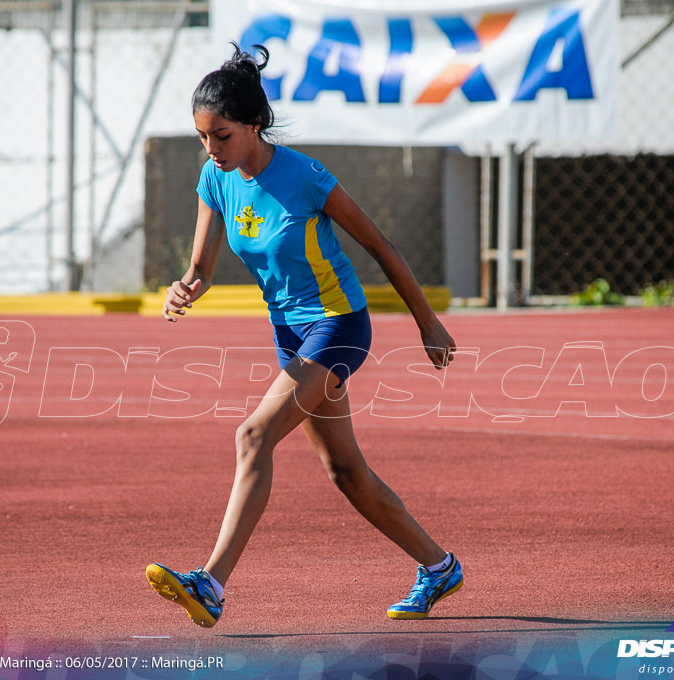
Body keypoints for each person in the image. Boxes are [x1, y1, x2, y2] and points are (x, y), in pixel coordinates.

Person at [145, 44, 461, 628]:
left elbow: (379, 245)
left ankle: (211, 584)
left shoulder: (304, 177)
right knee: (346, 474)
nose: (210, 149)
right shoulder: (215, 180)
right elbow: (202, 270)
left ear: (254, 126)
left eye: (221, 136)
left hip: (338, 323)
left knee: (253, 434)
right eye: (202, 137)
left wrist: (428, 323)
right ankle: (439, 567)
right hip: (289, 334)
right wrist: (184, 288)